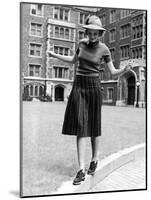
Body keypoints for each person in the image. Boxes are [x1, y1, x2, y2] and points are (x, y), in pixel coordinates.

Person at [48, 15, 131, 185]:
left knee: (93, 125)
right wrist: (54, 54)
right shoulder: (80, 44)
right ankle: (81, 169)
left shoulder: (105, 49)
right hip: (79, 85)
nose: (93, 36)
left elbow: (112, 72)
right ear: (86, 31)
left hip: (94, 86)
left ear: (99, 34)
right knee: (80, 126)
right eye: (90, 33)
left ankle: (95, 158)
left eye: (96, 34)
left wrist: (123, 70)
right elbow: (73, 61)